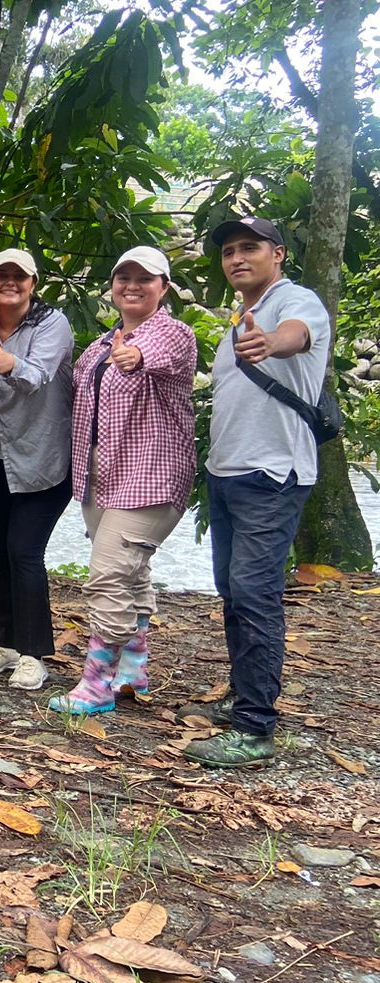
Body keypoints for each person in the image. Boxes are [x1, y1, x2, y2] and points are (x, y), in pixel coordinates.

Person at [184, 217, 330, 768]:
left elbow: (297, 334)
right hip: (227, 473)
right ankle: (243, 695)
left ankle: (254, 728)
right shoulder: (238, 318)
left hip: (272, 473)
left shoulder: (295, 301)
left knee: (253, 592)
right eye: (229, 251)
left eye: (250, 247)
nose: (237, 258)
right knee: (232, 589)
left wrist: (271, 342)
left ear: (279, 253)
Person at [52, 246, 196, 716]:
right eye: (124, 277)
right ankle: (133, 670)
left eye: (145, 278)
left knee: (109, 575)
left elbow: (151, 355)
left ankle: (96, 685)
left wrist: (135, 355)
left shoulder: (173, 334)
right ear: (112, 285)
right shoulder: (100, 344)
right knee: (131, 572)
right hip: (100, 474)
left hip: (151, 473)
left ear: (164, 287)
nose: (132, 286)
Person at [0, 249, 74, 691]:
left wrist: (8, 363)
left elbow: (38, 375)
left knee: (24, 550)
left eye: (20, 276)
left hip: (43, 458)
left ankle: (34, 654)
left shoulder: (52, 323)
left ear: (33, 282)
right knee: (2, 551)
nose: (10, 282)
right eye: (1, 275)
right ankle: (8, 644)